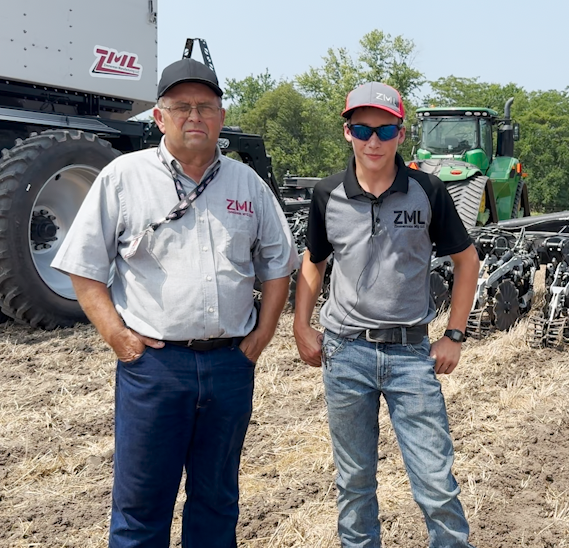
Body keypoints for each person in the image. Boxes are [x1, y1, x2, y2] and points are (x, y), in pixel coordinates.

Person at [51, 58, 297, 547]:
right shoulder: (124, 177)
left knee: (217, 499)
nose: (195, 117)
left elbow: (278, 265)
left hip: (230, 366)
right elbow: (85, 266)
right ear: (159, 117)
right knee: (142, 506)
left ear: (222, 117)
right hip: (155, 368)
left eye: (206, 106)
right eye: (180, 106)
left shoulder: (247, 185)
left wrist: (262, 336)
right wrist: (120, 339)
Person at [293, 82, 480, 548]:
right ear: (347, 132)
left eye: (384, 129)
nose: (372, 141)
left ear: (401, 133)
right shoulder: (328, 194)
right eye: (362, 129)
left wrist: (454, 334)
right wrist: (301, 324)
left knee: (435, 484)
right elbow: (313, 262)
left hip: (411, 356)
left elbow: (467, 261)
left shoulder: (428, 191)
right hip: (345, 353)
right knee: (354, 485)